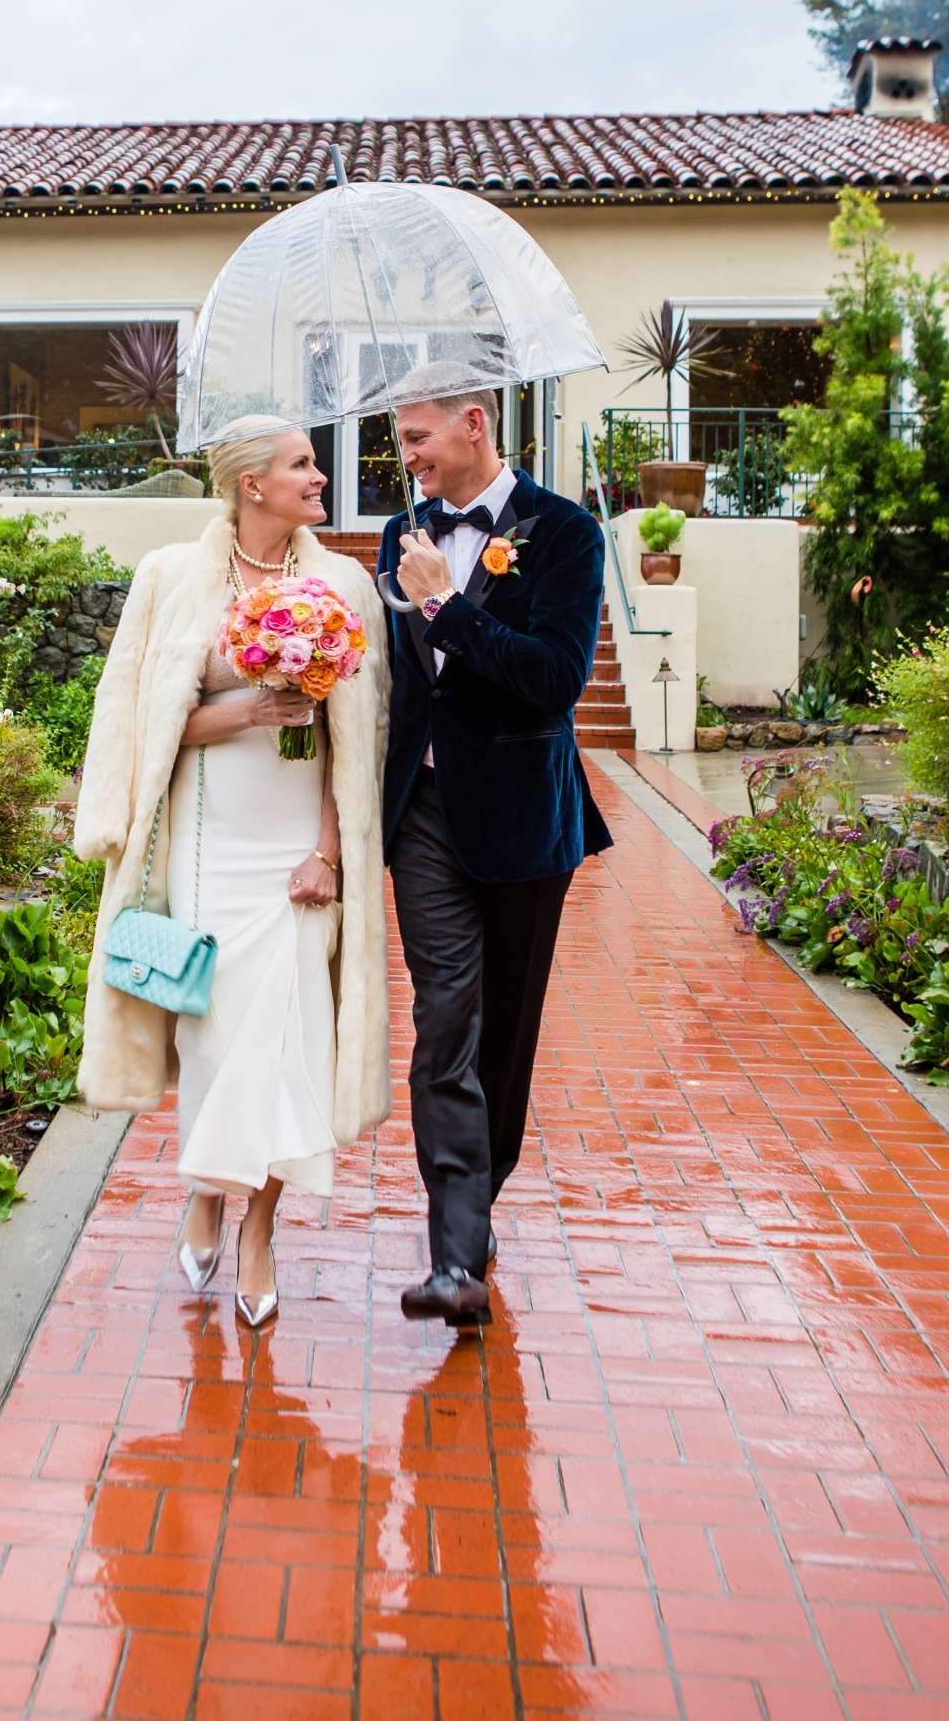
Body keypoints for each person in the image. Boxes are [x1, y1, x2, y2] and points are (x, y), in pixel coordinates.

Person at [75, 417, 390, 1327]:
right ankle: (207, 1192)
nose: (319, 475)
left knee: (289, 1038)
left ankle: (258, 1230)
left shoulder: (343, 584)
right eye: (301, 463)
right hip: (206, 846)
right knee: (215, 1040)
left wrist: (329, 850)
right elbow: (141, 717)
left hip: (298, 847)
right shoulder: (170, 577)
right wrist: (249, 710)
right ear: (251, 483)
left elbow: (355, 742)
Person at [377, 366, 611, 1327]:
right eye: (399, 441)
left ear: (475, 425)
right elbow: (405, 686)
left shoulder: (565, 533)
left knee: (504, 1038)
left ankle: (475, 1217)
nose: (407, 457)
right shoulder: (403, 534)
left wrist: (446, 608)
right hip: (425, 812)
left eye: (418, 437)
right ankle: (454, 1261)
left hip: (525, 820)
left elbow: (555, 681)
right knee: (445, 1021)